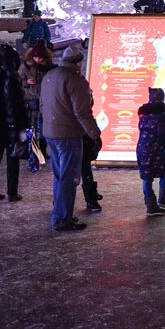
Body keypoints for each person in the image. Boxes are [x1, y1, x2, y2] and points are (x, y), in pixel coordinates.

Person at [40, 44, 102, 232]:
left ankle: (61, 213)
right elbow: (83, 113)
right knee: (69, 178)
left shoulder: (50, 76)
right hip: (68, 135)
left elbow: (43, 105)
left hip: (51, 133)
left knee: (60, 176)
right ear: (79, 62)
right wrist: (94, 133)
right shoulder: (76, 80)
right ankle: (62, 220)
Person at [0, 43, 30, 203]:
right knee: (13, 156)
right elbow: (17, 102)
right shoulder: (11, 76)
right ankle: (12, 192)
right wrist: (25, 122)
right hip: (12, 121)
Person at [136, 88, 165, 216]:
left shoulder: (143, 115)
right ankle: (162, 203)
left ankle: (151, 206)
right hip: (156, 150)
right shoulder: (162, 115)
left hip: (142, 149)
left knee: (147, 177)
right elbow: (163, 135)